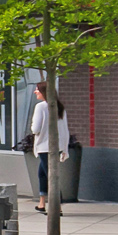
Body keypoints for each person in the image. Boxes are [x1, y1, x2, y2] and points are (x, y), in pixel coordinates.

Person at [30, 80, 70, 213]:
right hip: (56, 146)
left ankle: (57, 206)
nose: (35, 91)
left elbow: (35, 128)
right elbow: (65, 129)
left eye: (37, 89)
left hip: (44, 146)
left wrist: (33, 129)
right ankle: (42, 204)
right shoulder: (60, 106)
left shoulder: (40, 107)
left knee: (50, 176)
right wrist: (64, 147)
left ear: (44, 92)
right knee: (42, 173)